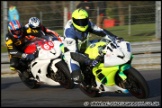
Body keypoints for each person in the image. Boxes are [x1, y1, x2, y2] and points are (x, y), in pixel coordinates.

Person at [63, 9, 123, 89]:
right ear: (74, 21)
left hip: (85, 44)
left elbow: (101, 32)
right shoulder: (69, 32)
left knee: (105, 43)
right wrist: (88, 61)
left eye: (84, 21)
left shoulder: (88, 24)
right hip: (72, 52)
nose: (82, 24)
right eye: (79, 22)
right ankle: (86, 83)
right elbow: (73, 54)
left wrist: (115, 38)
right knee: (77, 78)